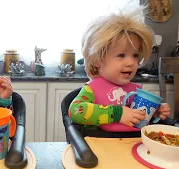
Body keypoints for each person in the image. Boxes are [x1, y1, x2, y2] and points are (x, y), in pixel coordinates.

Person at [68, 7, 171, 136]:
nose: (131, 63)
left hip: (132, 144)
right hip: (102, 146)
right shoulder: (91, 90)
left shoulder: (135, 91)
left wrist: (154, 112)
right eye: (121, 55)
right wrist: (118, 113)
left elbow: (138, 117)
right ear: (97, 60)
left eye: (135, 55)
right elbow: (76, 111)